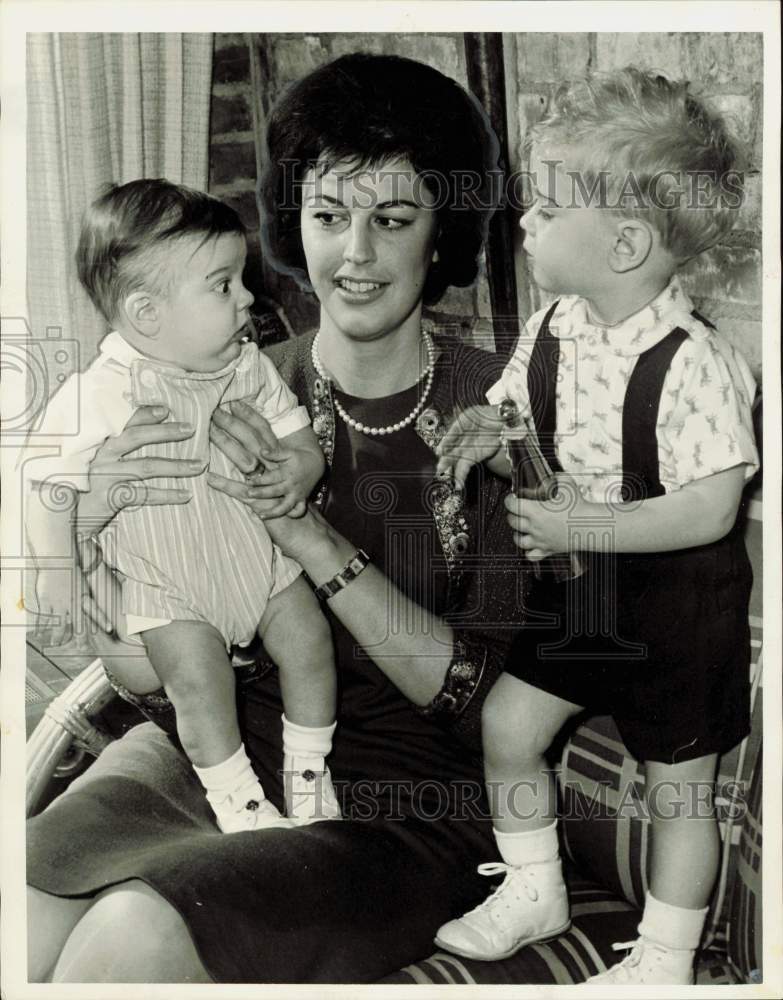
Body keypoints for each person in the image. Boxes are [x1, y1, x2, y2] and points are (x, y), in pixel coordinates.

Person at [26, 52, 524, 984]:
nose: (357, 253)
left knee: (127, 942)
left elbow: (483, 700)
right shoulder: (217, 376)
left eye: (393, 219)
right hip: (212, 751)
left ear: (441, 233)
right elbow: (145, 670)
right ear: (295, 223)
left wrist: (308, 534)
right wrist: (91, 536)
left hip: (404, 803)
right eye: (330, 217)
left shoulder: (497, 416)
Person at [434, 67, 759, 985]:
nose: (523, 224)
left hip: (677, 608)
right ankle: (535, 886)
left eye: (542, 208)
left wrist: (590, 519)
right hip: (579, 592)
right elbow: (519, 432)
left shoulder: (697, 363)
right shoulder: (549, 328)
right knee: (507, 726)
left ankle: (662, 961)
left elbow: (712, 506)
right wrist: (485, 443)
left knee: (677, 790)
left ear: (622, 242)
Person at [24, 178, 341, 833]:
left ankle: (307, 772)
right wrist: (58, 571)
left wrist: (299, 471)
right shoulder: (102, 393)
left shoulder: (246, 366)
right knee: (197, 682)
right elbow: (44, 486)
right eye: (222, 285)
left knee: (309, 641)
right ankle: (240, 802)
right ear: (147, 314)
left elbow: (296, 437)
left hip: (257, 561)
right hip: (168, 587)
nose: (246, 296)